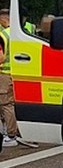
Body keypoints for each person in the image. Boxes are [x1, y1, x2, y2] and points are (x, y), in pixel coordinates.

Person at [0, 9, 34, 147]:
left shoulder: (4, 35)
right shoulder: (25, 29)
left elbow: (1, 58)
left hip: (5, 74)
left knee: (6, 104)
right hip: (22, 72)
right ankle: (21, 133)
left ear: (4, 18)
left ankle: (11, 135)